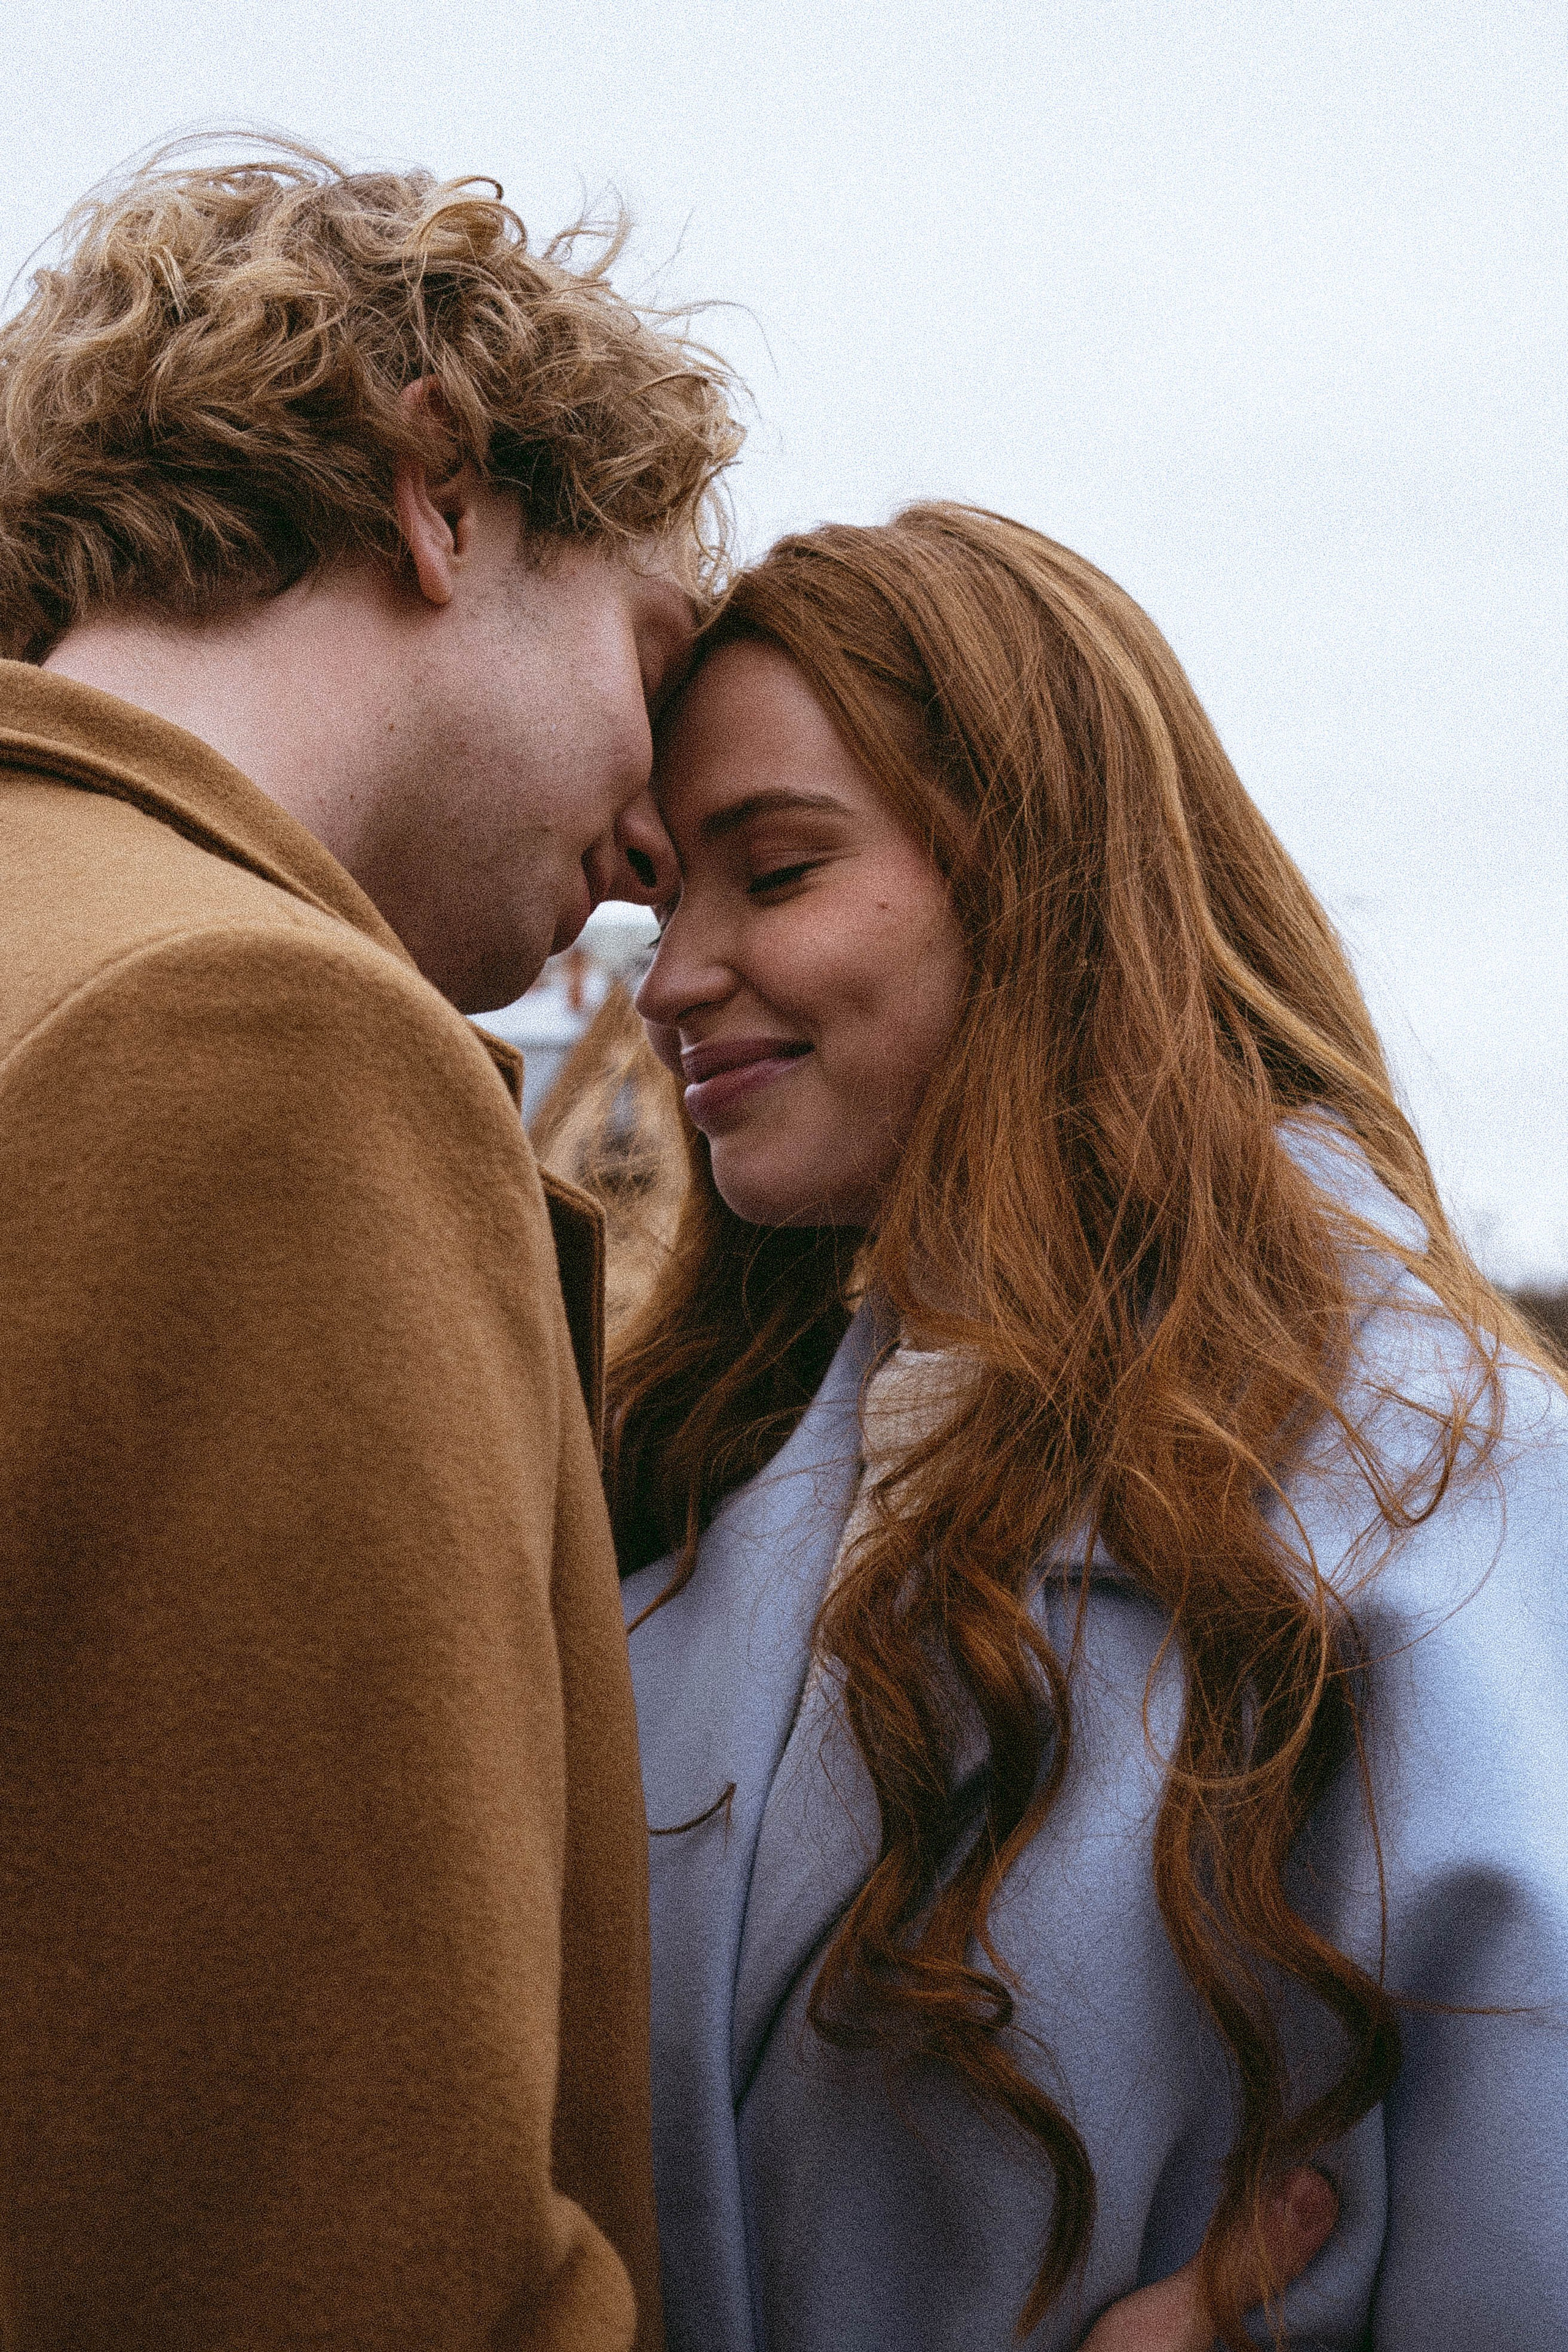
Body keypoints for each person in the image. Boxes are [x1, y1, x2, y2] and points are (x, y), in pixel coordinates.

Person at [611, 505, 1568, 2349]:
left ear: (1042, 875)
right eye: (667, 903)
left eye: (779, 872)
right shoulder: (697, 1481)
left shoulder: (1445, 1492)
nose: (668, 981)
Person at [0, 138, 739, 2348]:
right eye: (650, 651)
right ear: (440, 488)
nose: (652, 841)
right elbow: (321, 2258)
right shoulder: (254, 1037)